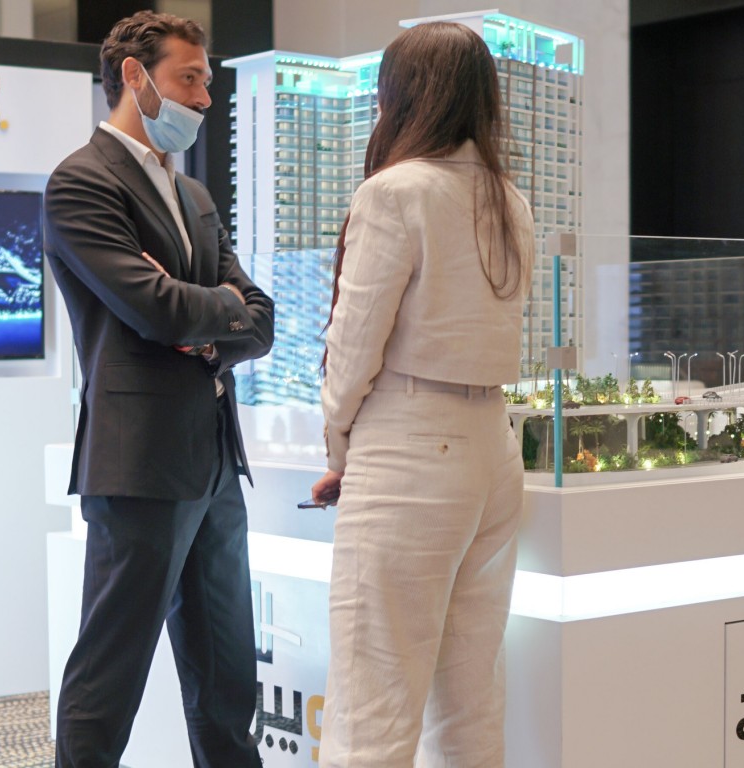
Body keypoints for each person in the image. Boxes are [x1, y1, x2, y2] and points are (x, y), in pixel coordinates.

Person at [43, 11, 273, 768]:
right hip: (139, 465)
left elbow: (261, 321)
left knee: (227, 680)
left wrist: (203, 315)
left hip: (215, 464)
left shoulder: (194, 194)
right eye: (190, 78)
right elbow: (154, 307)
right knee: (109, 678)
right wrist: (210, 308)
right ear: (135, 77)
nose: (204, 97)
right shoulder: (81, 182)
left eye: (206, 80)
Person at [310, 21, 535, 768]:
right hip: (492, 451)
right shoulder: (510, 200)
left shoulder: (393, 191)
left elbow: (353, 346)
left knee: (371, 706)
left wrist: (340, 450)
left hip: (409, 450)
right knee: (470, 704)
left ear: (400, 96)